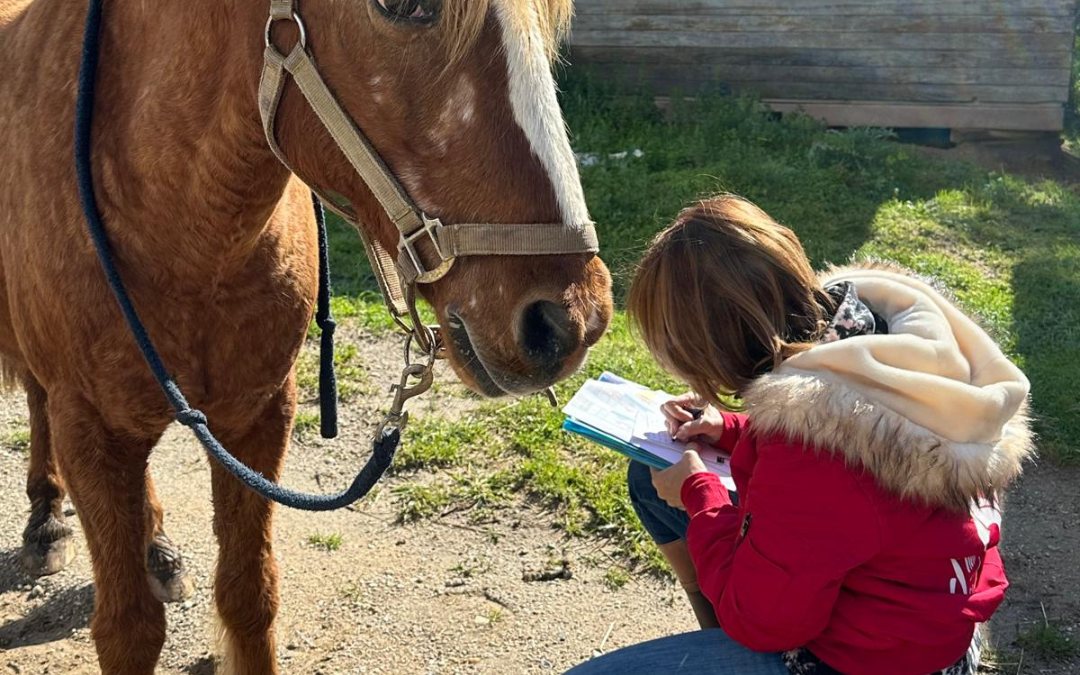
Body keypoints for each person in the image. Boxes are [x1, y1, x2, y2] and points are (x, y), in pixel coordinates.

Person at [565, 195, 1032, 675]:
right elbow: (866, 442)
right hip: (926, 616)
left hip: (878, 660)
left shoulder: (811, 453)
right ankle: (716, 639)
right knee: (650, 474)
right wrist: (727, 429)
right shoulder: (874, 342)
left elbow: (766, 624)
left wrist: (700, 494)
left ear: (712, 345)